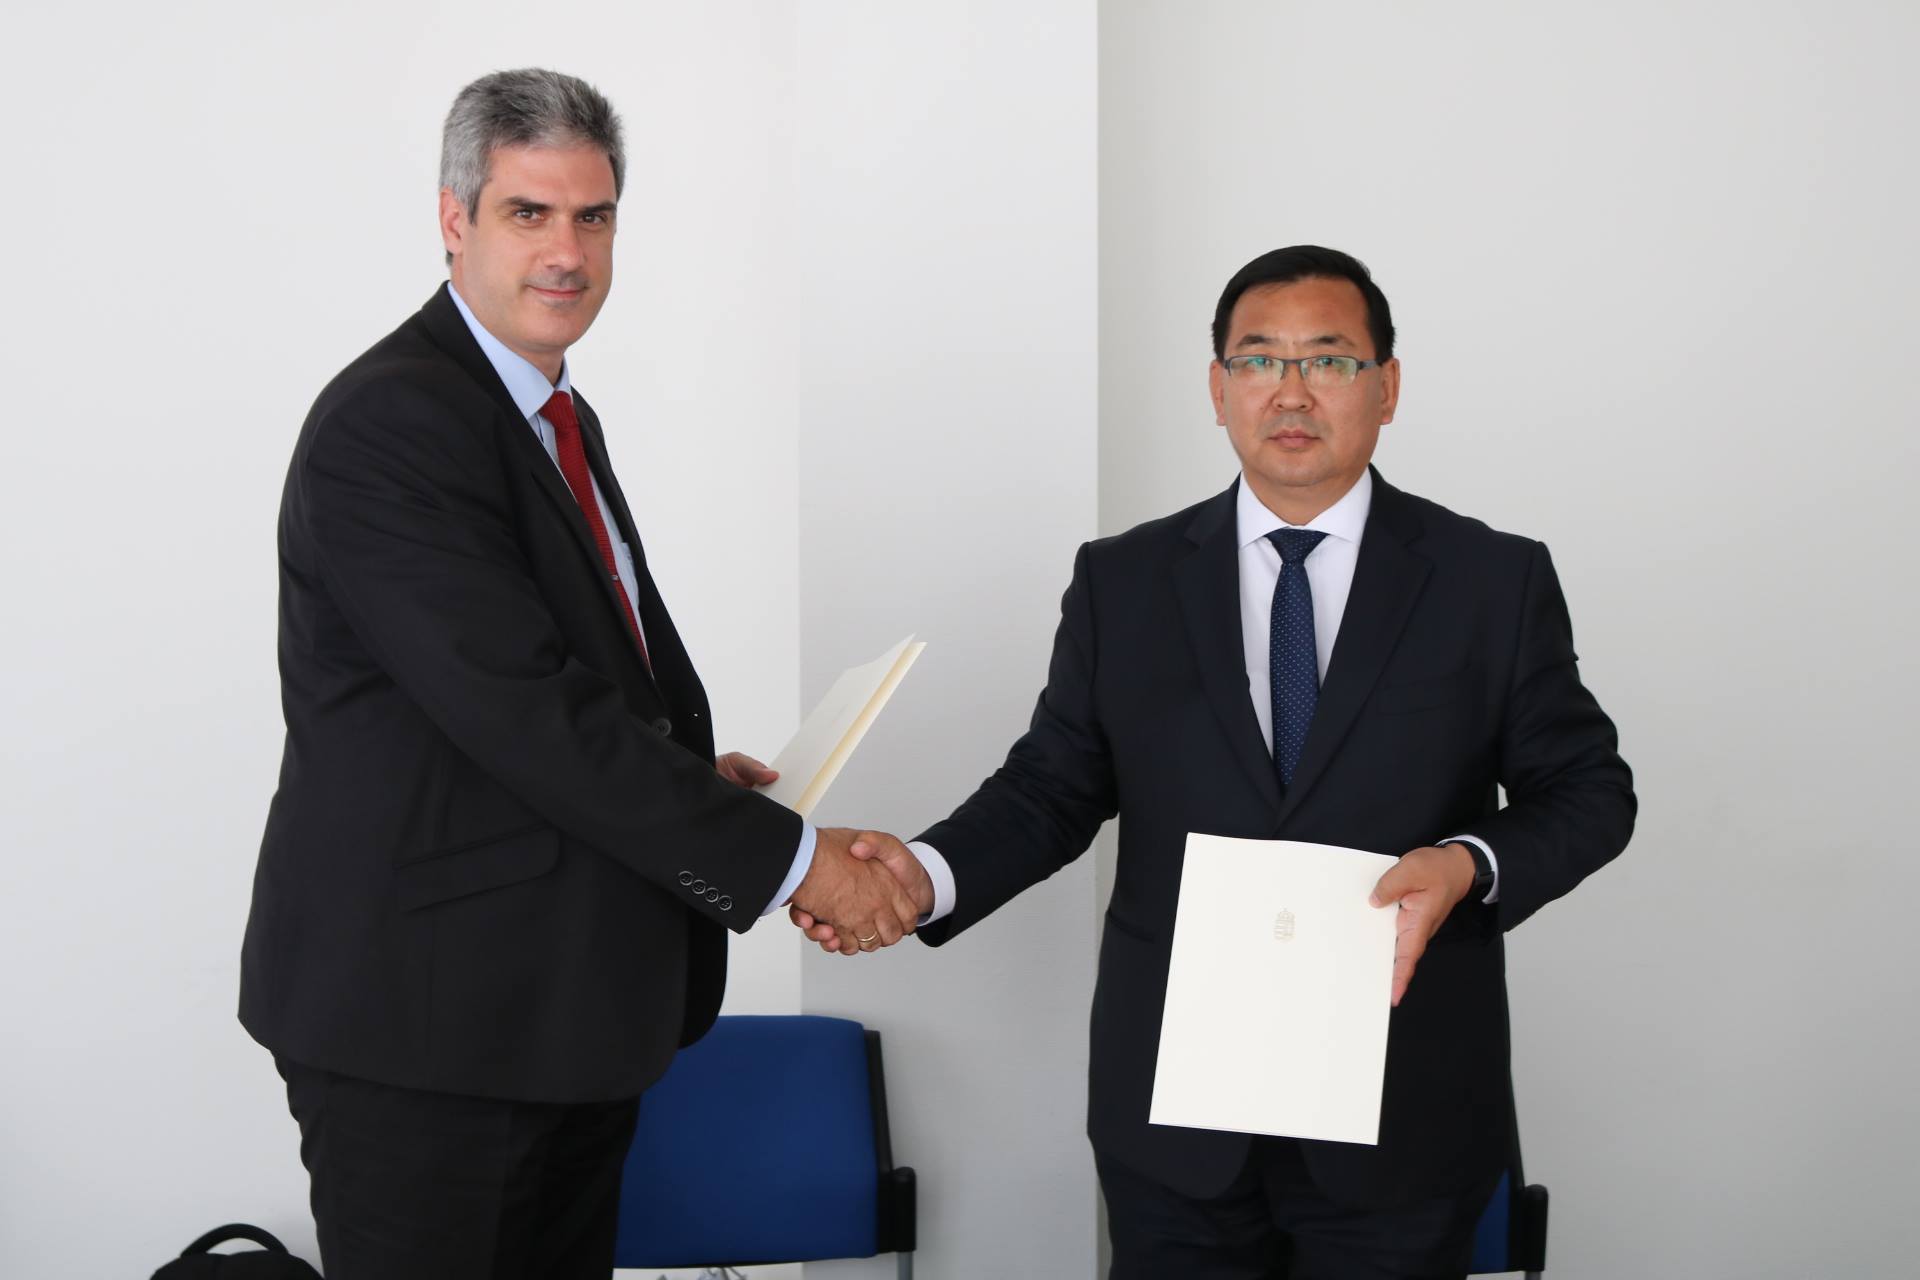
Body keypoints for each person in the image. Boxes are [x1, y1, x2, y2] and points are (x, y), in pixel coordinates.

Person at [797, 246, 1636, 1278]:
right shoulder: (1124, 580)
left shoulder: (1490, 579)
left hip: (1401, 1101)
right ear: (1217, 388)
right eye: (1258, 360)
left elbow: (1589, 791)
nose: (1291, 390)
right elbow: (1052, 788)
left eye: (1329, 359)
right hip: (1177, 1113)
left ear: (1387, 388)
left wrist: (1467, 863)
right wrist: (923, 876)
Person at [238, 68, 915, 1280]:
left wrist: (693, 777)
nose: (568, 252)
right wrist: (795, 862)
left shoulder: (549, 412)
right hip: (431, 1035)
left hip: (553, 1015)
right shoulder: (394, 423)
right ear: (454, 219)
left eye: (593, 216)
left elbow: (548, 689)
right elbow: (528, 713)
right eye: (529, 213)